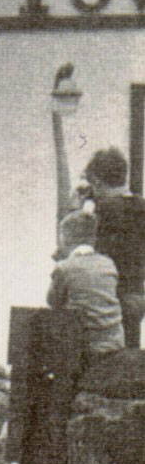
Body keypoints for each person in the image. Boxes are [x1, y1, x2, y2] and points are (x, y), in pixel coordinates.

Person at [83, 147, 145, 348]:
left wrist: (77, 209)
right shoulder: (142, 207)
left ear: (97, 181)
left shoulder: (100, 213)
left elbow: (80, 257)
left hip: (104, 301)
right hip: (136, 297)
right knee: (129, 359)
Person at [48, 209, 125, 360]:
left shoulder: (64, 267)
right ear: (94, 238)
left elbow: (53, 301)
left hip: (84, 344)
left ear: (66, 238)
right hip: (114, 342)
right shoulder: (108, 264)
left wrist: (60, 264)